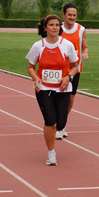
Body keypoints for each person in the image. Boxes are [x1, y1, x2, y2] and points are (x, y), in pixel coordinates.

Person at [26, 14, 78, 165]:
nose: (55, 28)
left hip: (63, 88)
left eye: (57, 25)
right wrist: (36, 79)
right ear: (45, 28)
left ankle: (58, 132)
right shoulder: (38, 46)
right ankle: (51, 153)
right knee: (50, 121)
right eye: (51, 25)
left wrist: (68, 77)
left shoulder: (66, 45)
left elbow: (75, 66)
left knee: (60, 123)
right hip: (43, 88)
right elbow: (30, 67)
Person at [56, 3, 89, 140]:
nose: (72, 17)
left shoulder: (81, 29)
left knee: (70, 100)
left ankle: (62, 125)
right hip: (59, 69)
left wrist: (85, 54)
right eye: (69, 15)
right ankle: (57, 125)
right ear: (63, 15)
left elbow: (85, 47)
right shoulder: (58, 29)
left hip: (75, 70)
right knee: (59, 99)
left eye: (74, 15)